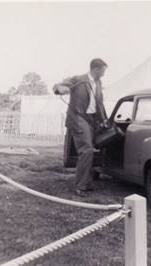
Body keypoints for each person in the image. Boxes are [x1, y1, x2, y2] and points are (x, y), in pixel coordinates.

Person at [53, 58, 109, 196]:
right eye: (102, 71)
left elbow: (99, 104)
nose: (103, 74)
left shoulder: (98, 82)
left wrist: (104, 120)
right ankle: (81, 186)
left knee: (89, 150)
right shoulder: (79, 79)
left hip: (91, 120)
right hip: (78, 118)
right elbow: (58, 86)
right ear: (96, 69)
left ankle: (87, 182)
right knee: (87, 150)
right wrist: (60, 89)